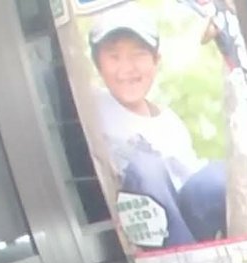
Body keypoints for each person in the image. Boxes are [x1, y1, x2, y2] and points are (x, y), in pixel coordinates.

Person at [88, 6, 225, 246]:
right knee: (145, 165)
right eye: (114, 57)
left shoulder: (169, 123)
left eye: (138, 54)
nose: (126, 69)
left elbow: (195, 185)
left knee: (220, 173)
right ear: (98, 64)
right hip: (135, 222)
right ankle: (184, 256)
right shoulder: (92, 105)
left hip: (179, 220)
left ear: (156, 60)